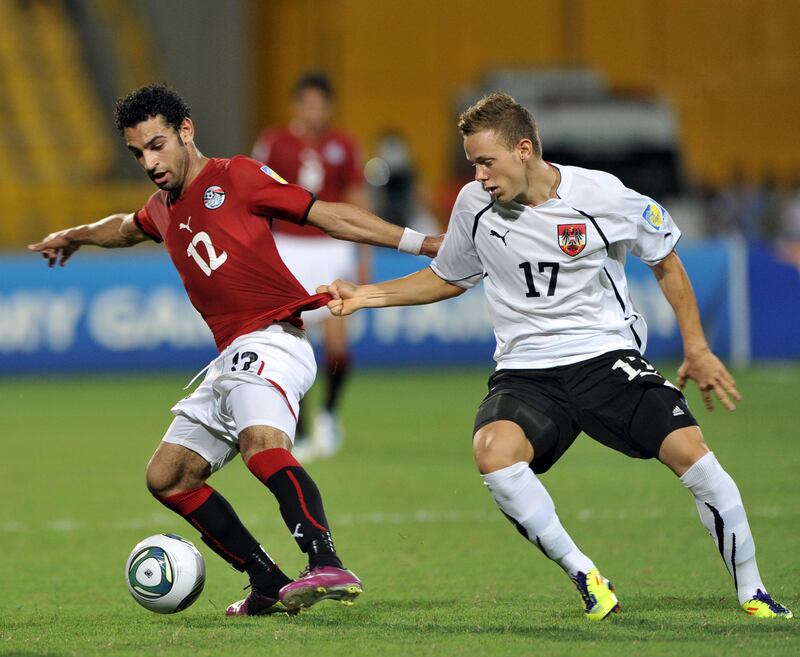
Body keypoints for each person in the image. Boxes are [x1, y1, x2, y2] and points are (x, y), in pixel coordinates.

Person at [319, 93, 792, 621]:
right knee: (493, 452)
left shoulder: (601, 195)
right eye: (473, 164)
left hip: (604, 358)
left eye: (486, 162)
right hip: (526, 373)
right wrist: (367, 296)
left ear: (524, 150)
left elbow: (666, 259)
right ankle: (585, 575)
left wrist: (697, 346)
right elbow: (448, 277)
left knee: (693, 454)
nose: (478, 176)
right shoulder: (474, 206)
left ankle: (753, 591)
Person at [27, 84, 438, 617]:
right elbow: (124, 229)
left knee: (261, 442)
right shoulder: (163, 208)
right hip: (232, 354)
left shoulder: (236, 176)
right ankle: (266, 581)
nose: (150, 162)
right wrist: (75, 234)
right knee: (168, 477)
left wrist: (422, 242)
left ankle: (325, 561)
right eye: (138, 153)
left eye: (157, 145)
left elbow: (327, 215)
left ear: (186, 131)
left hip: (273, 338)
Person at [251, 72, 367, 460]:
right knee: (287, 343)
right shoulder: (274, 142)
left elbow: (356, 204)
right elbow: (256, 199)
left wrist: (362, 259)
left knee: (336, 343)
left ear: (329, 107)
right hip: (288, 248)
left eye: (321, 104)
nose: (314, 111)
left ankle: (330, 415)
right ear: (297, 105)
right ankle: (298, 428)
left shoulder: (344, 145)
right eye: (308, 103)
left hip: (331, 249)